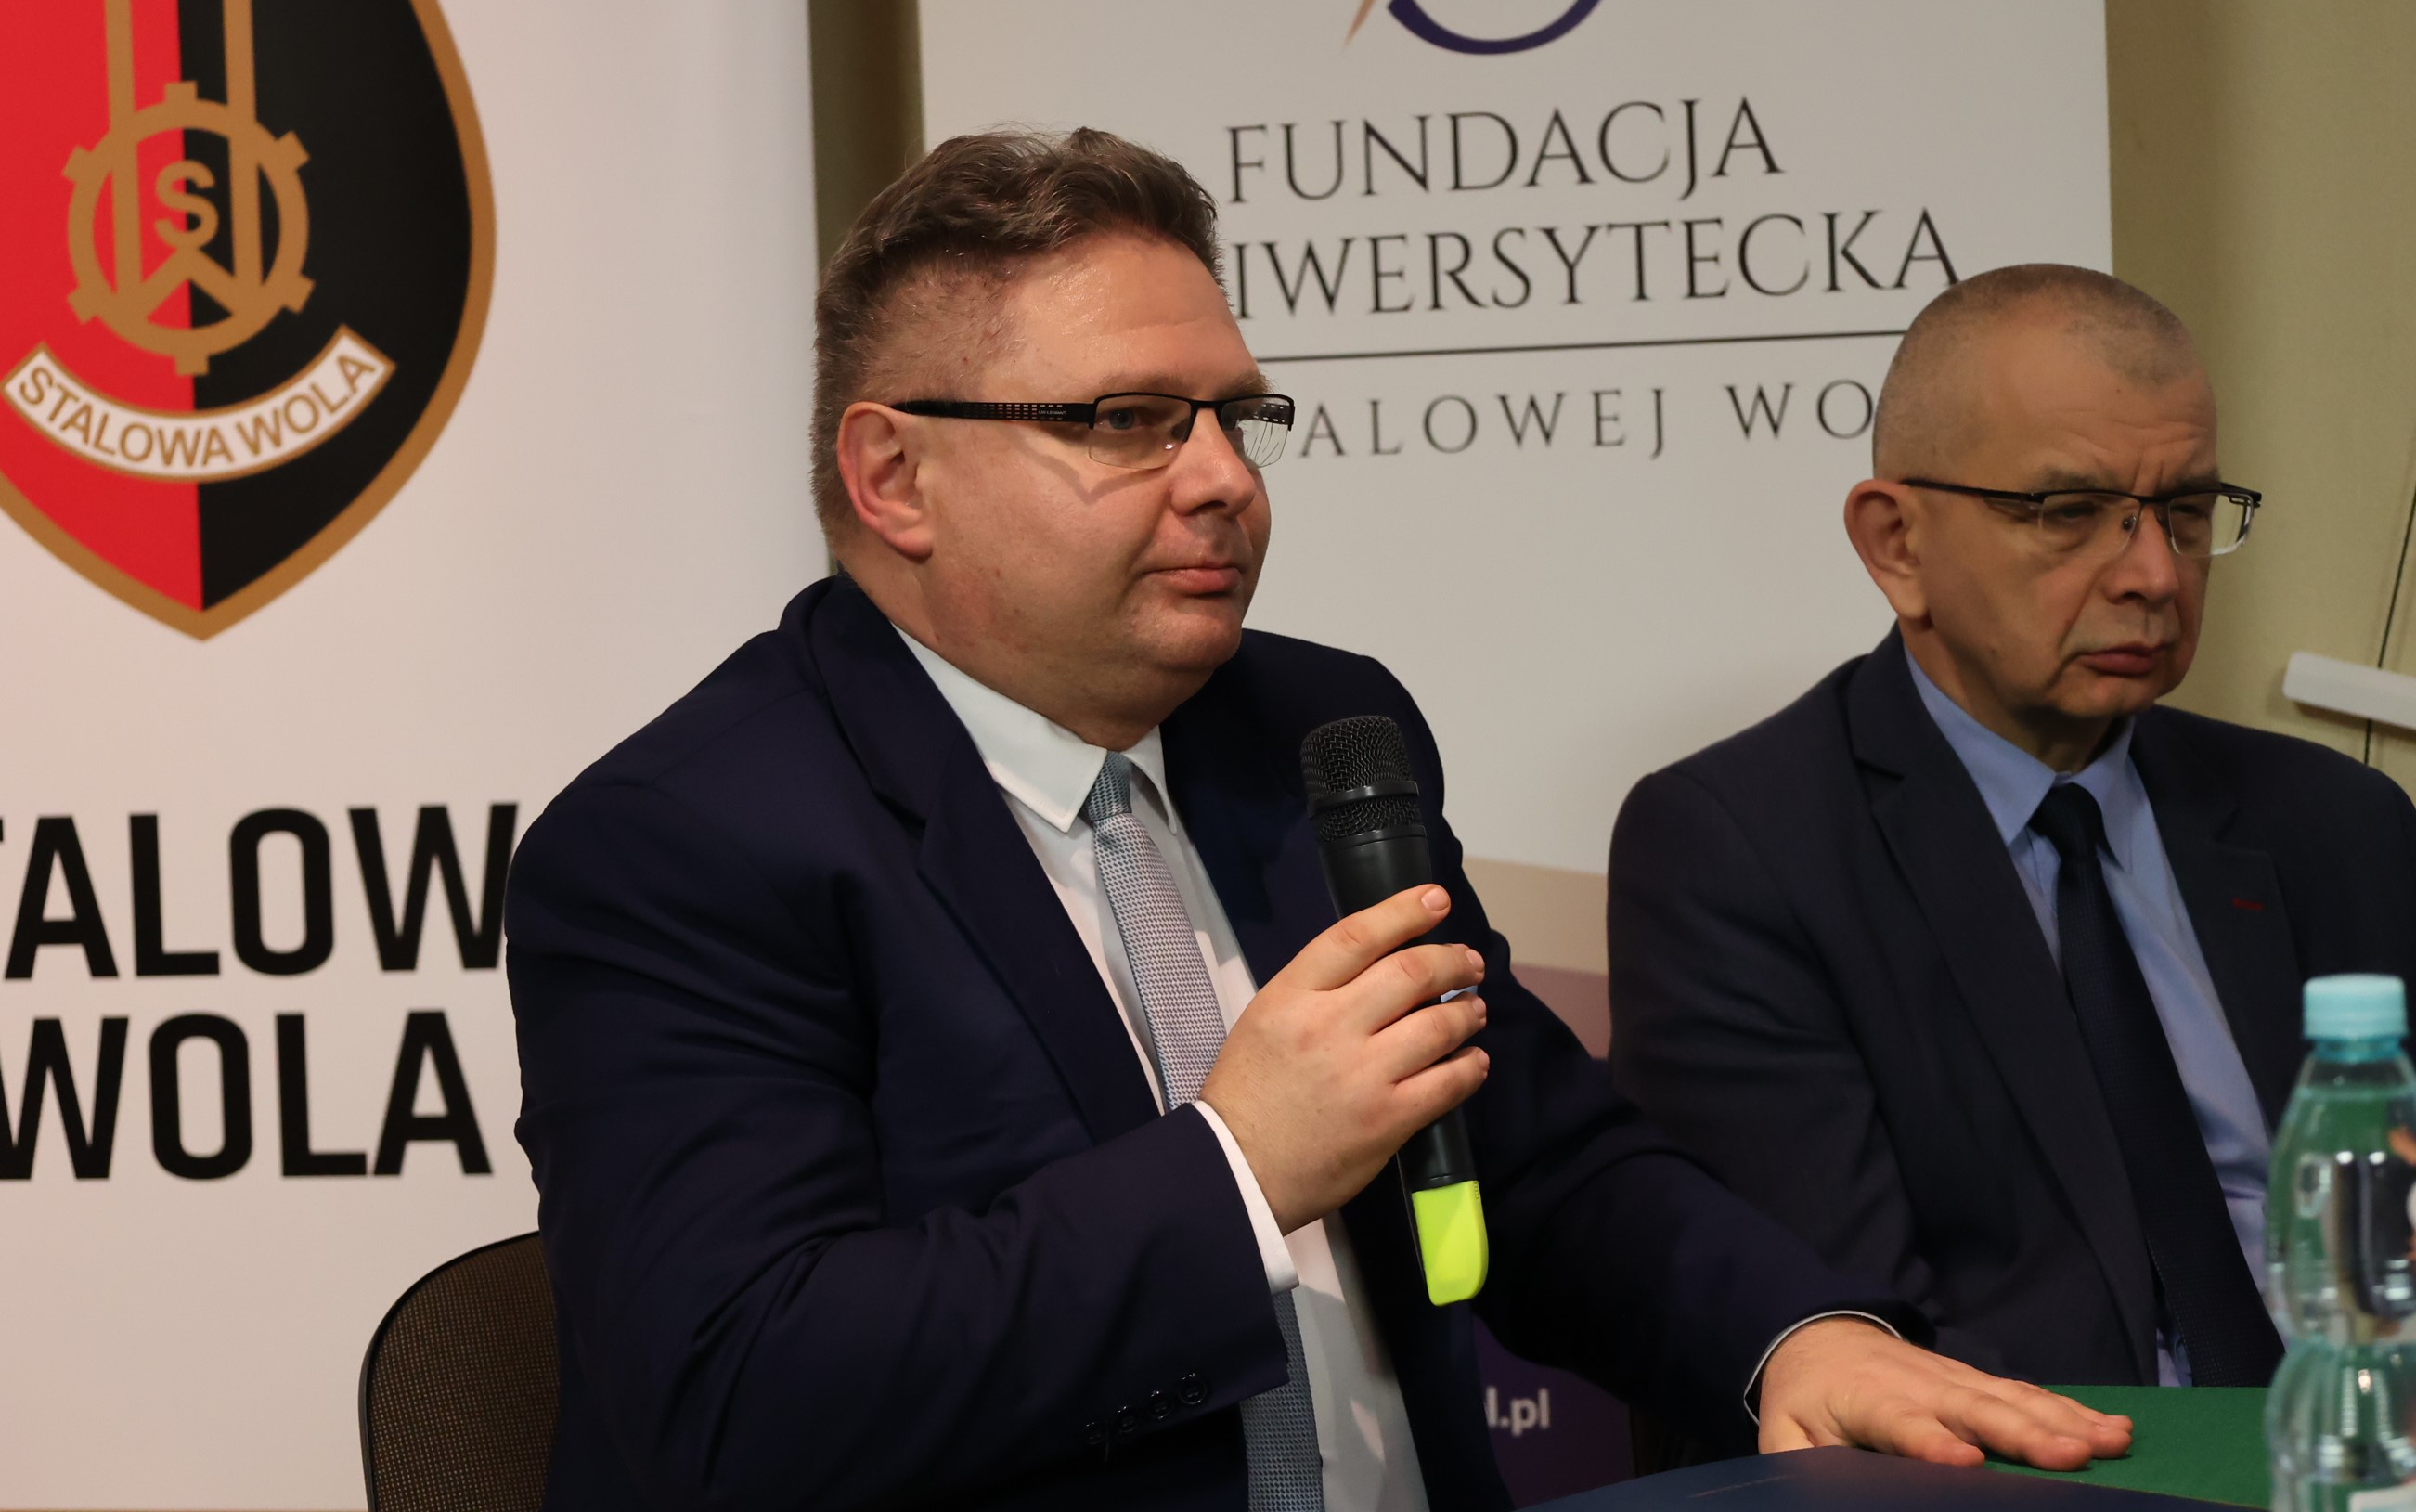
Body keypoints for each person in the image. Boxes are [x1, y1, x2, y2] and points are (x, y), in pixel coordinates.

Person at [506, 135, 2128, 1512]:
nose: (1223, 478)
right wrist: (1237, 1167)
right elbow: (738, 1388)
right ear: (893, 477)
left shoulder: (1313, 735)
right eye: (1128, 420)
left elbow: (1534, 1161)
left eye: (1236, 416)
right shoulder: (682, 843)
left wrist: (1794, 1337)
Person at [1609, 264, 2416, 1392]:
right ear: (1896, 543)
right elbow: (1857, 1346)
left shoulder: (2335, 822)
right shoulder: (1741, 851)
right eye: (2068, 513)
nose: (2152, 575)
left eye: (2185, 512)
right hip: (2022, 1461)